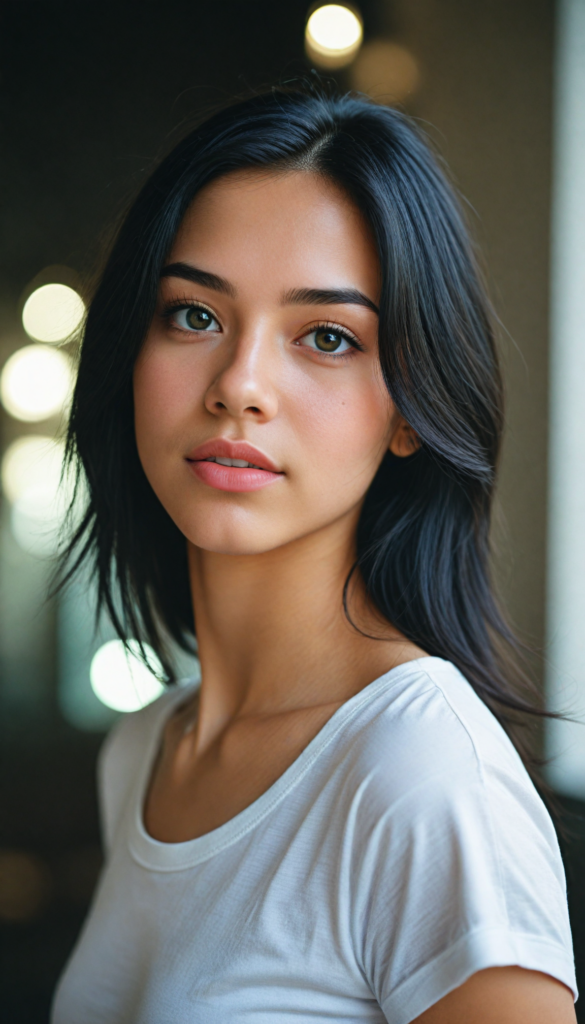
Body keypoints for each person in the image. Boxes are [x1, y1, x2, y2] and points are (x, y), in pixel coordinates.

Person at [51, 87, 577, 1023]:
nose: (240, 386)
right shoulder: (142, 754)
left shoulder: (423, 777)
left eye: (327, 337)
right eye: (194, 315)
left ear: (412, 411)